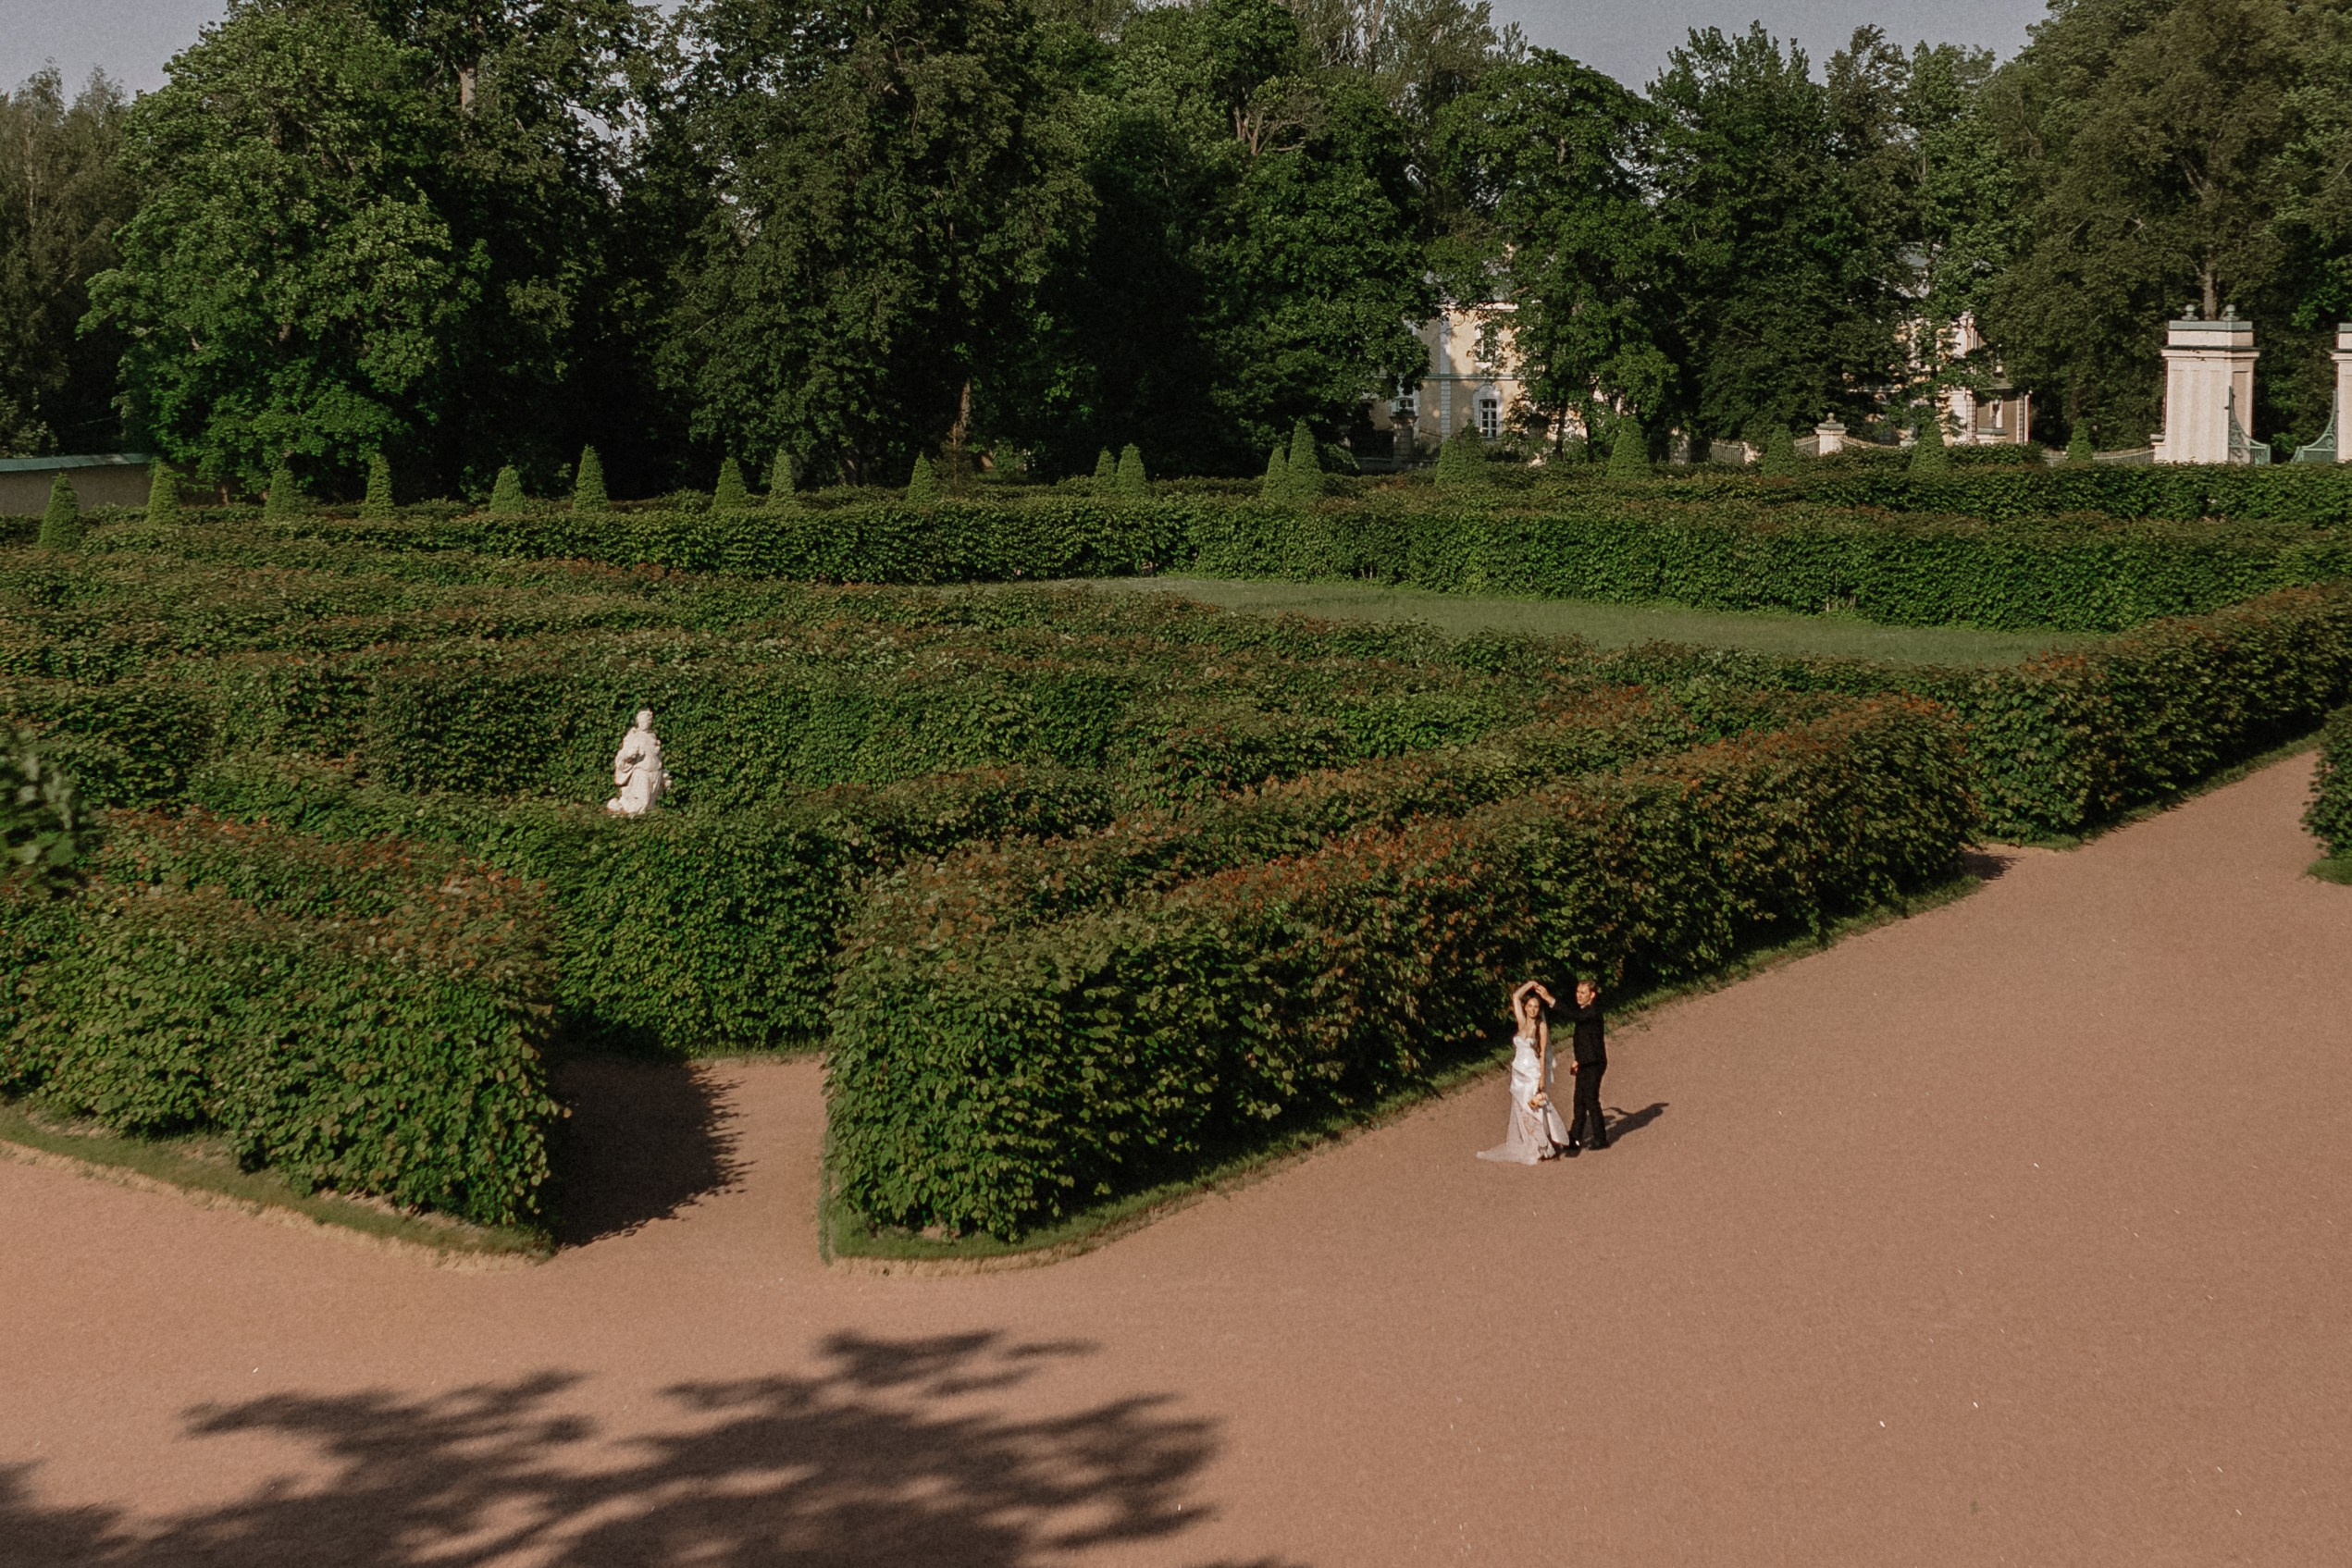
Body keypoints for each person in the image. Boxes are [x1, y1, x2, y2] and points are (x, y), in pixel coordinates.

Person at [1477, 980, 1573, 1164]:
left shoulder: (1541, 1027)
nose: (1533, 1010)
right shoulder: (1521, 1023)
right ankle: (1534, 1143)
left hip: (1532, 1073)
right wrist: (1530, 984)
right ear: (1526, 1007)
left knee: (1534, 1108)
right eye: (1530, 1006)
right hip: (1519, 1073)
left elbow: (1543, 1053)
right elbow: (1515, 996)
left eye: (1536, 1007)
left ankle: (1542, 1145)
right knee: (1522, 1109)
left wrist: (1542, 1078)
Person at [1565, 976, 1609, 1152]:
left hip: (1595, 1063)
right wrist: (1578, 1060)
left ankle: (1600, 1139)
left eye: (1583, 993)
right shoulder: (1586, 1012)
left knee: (1590, 1100)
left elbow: (1574, 1016)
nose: (1579, 995)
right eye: (1578, 992)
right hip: (1586, 1061)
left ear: (1592, 995)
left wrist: (1550, 1000)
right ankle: (1575, 1137)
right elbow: (1585, 1040)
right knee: (1579, 1100)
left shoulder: (1592, 1012)